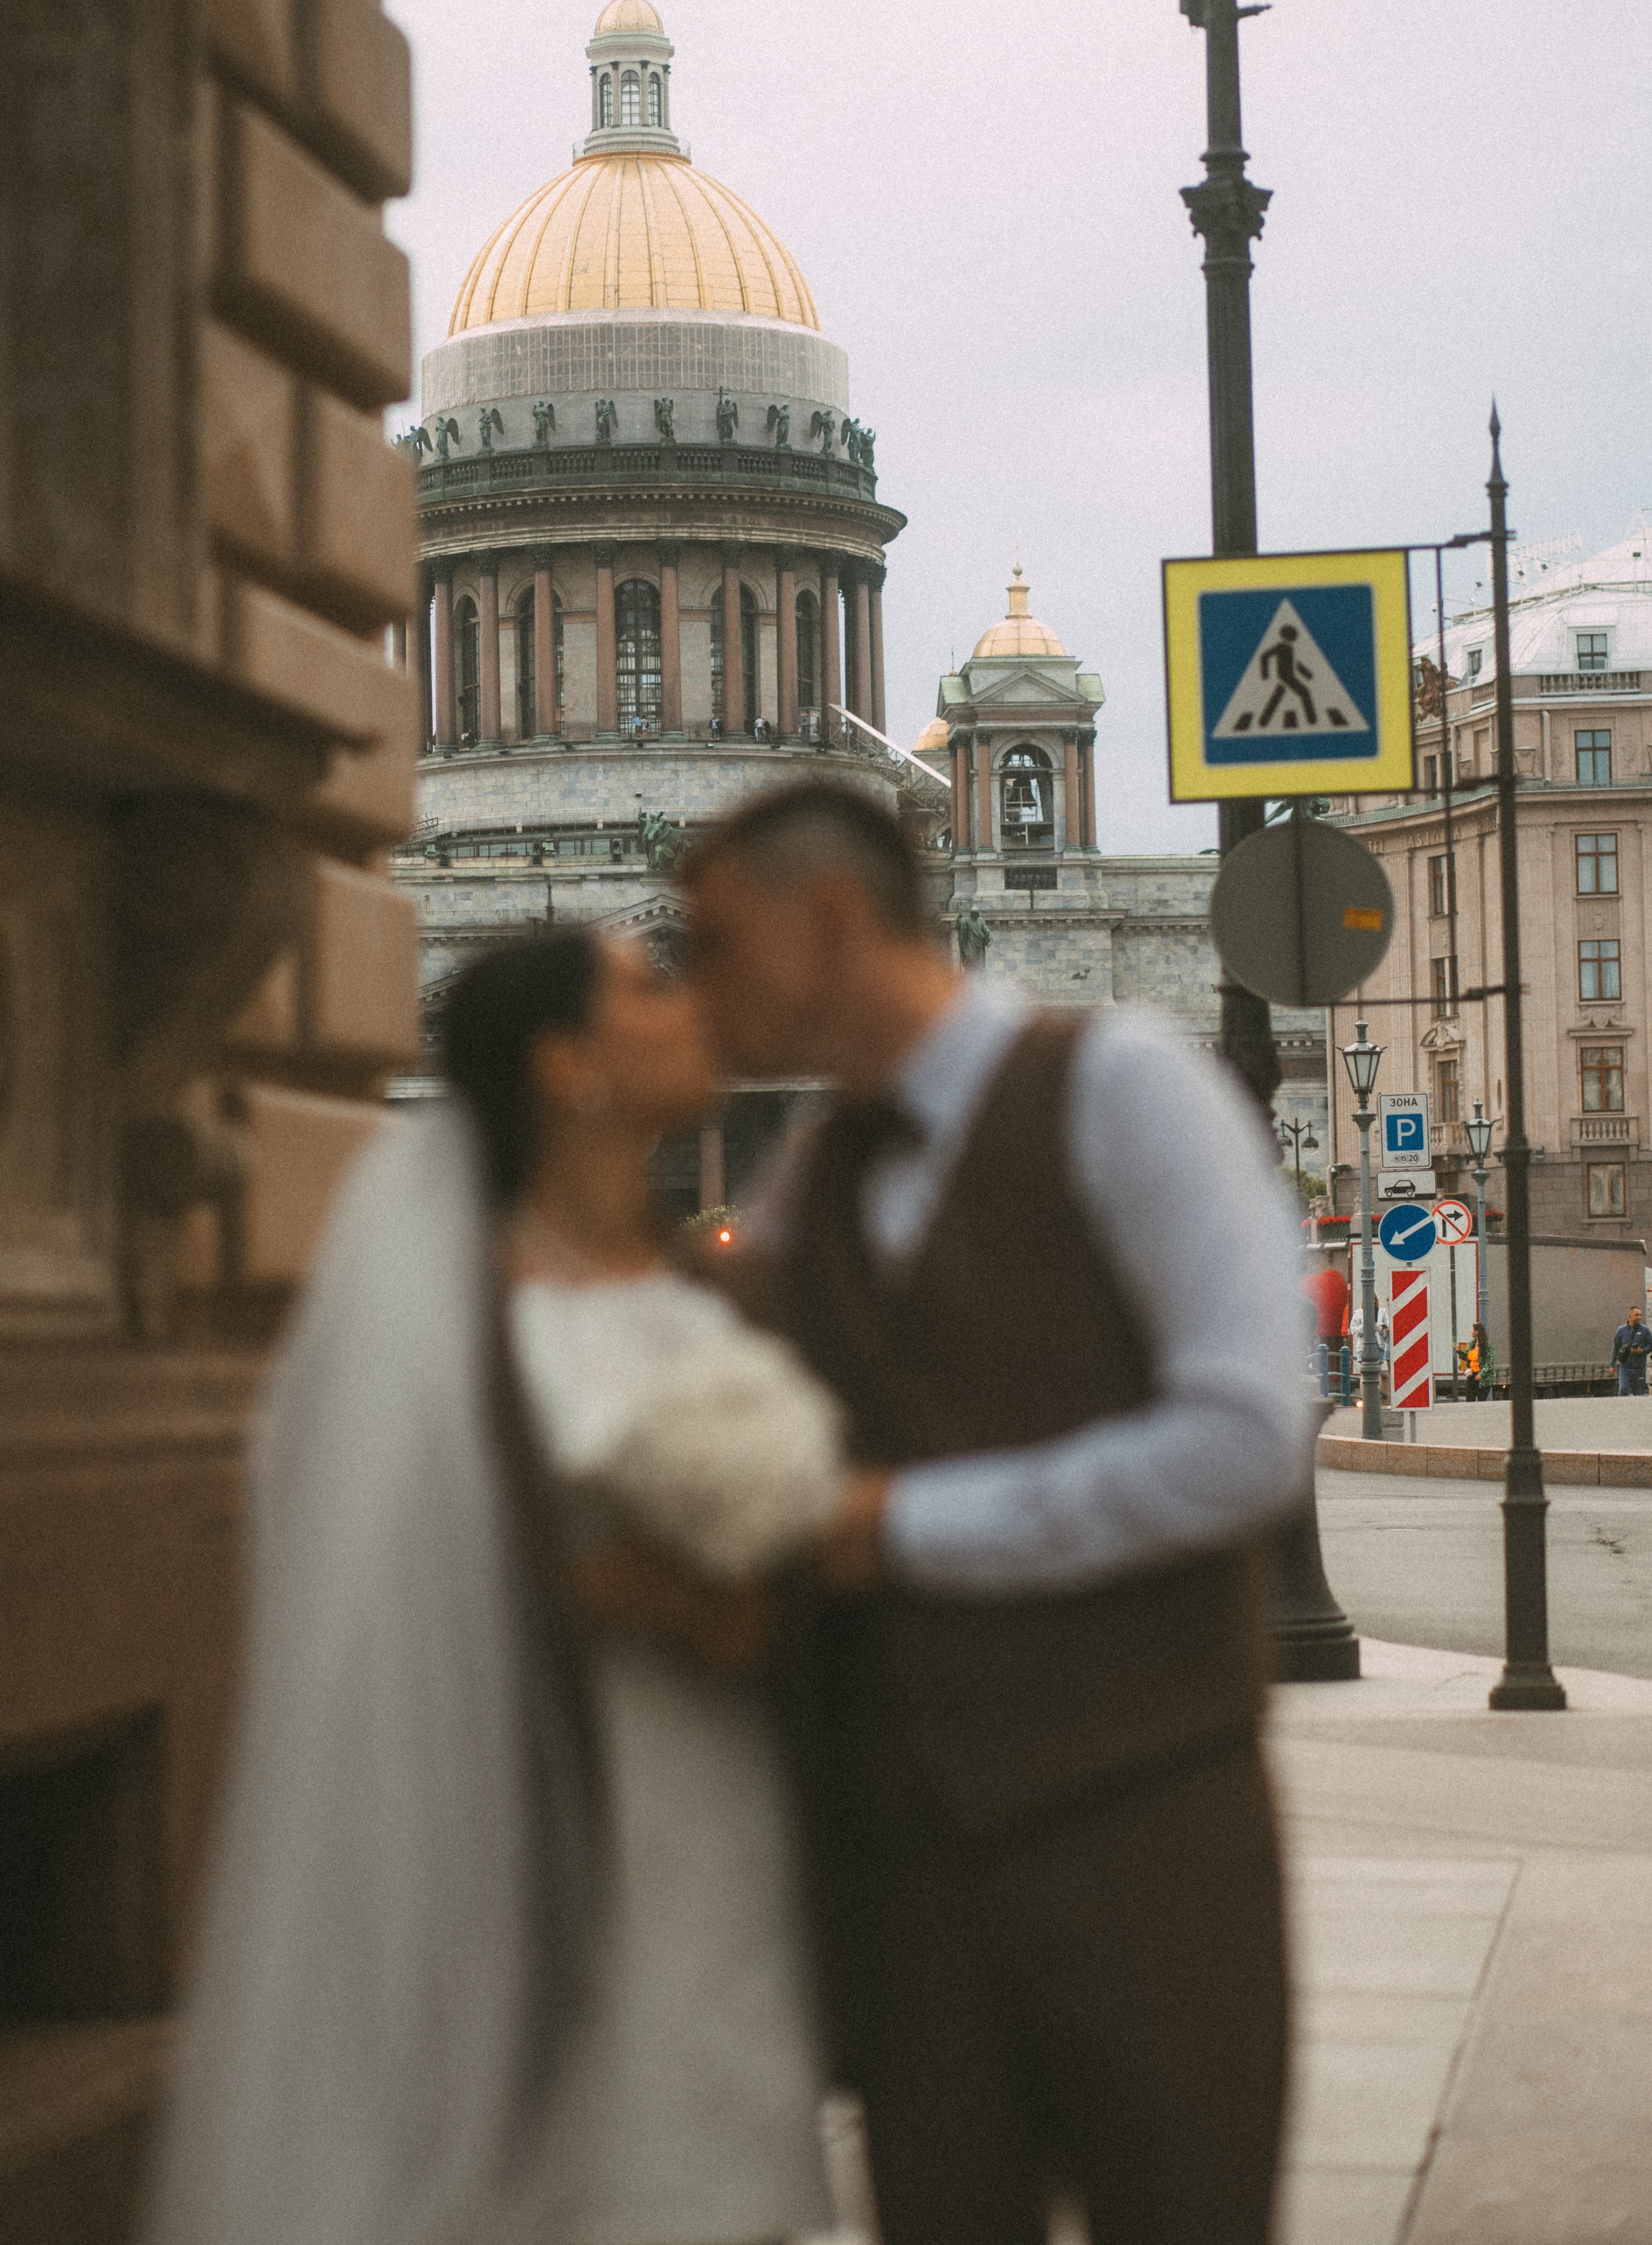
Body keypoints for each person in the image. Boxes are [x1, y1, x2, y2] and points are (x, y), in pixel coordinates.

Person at [682, 780, 1314, 2245]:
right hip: (912, 1878)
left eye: (715, 945)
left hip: (1145, 1844)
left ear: (828, 920)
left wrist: (901, 1530)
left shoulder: (1128, 1084)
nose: (692, 984)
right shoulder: (810, 1178)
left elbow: (1245, 1438)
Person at [145, 930, 847, 2245]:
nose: (690, 1001)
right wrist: (640, 1593)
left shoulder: (703, 1283)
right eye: (647, 985)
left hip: (719, 1809)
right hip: (547, 1813)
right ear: (567, 1066)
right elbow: (378, 1589)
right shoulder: (439, 1326)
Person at [1613, 1300, 1652, 1396]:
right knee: (1623, 1389)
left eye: (1640, 1315)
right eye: (1636, 1315)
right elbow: (1615, 1348)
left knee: (1639, 1393)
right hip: (1625, 1367)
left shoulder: (1645, 1330)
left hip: (1639, 1368)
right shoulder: (1621, 1330)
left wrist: (1642, 1351)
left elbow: (1651, 1346)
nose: (1639, 1317)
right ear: (1630, 1316)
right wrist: (1612, 1365)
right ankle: (1622, 1408)